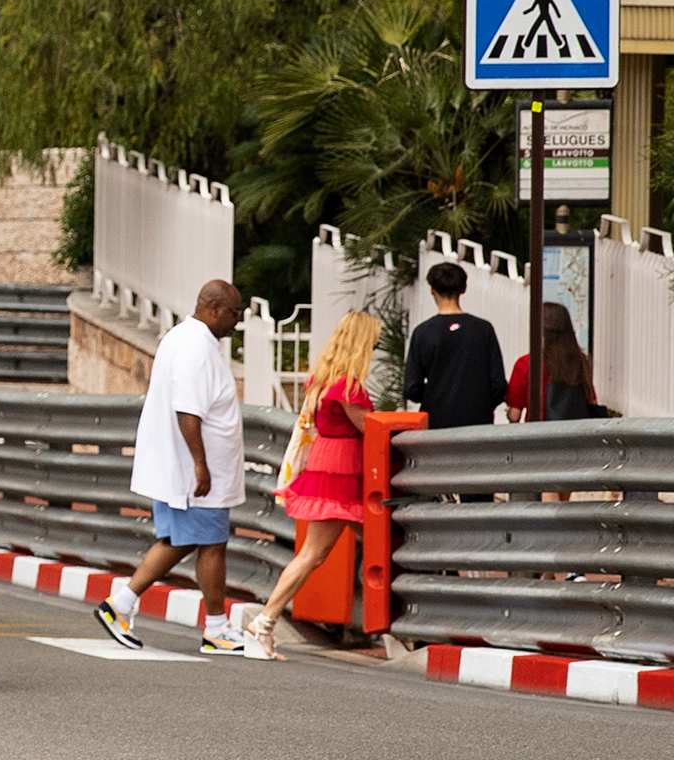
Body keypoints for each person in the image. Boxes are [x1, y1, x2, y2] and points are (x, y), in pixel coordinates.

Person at [95, 280, 249, 656]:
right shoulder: (196, 347)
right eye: (234, 312)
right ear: (213, 308)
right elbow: (188, 410)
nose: (238, 321)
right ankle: (212, 627)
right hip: (193, 472)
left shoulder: (186, 339)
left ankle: (124, 605)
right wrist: (200, 464)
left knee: (185, 541)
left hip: (188, 470)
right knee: (209, 543)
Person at [245, 311, 380, 661]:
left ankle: (265, 621)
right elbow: (371, 429)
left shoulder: (322, 379)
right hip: (341, 469)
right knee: (313, 554)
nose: (377, 347)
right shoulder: (348, 387)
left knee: (316, 553)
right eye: (374, 342)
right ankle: (265, 621)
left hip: (327, 462)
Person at [402, 261, 506, 431]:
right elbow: (498, 384)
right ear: (463, 288)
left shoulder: (423, 332)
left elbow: (411, 389)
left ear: (432, 289)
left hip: (436, 422)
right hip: (478, 421)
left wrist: (435, 395)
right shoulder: (483, 329)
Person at [506, 302, 598, 423]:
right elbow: (592, 402)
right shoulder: (579, 362)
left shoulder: (526, 364)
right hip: (574, 436)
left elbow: (515, 414)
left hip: (537, 436)